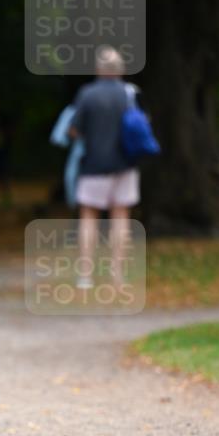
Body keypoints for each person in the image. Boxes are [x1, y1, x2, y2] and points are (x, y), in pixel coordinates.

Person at [69, 46, 140, 289]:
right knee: (120, 218)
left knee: (89, 218)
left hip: (93, 164)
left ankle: (86, 276)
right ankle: (117, 274)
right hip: (125, 164)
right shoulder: (129, 93)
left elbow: (74, 129)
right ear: (120, 70)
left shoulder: (87, 94)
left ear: (98, 69)